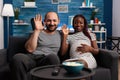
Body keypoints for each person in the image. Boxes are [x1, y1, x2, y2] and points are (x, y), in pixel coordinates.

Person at [10, 11, 62, 80]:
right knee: (17, 57)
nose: (52, 23)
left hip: (47, 59)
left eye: (54, 21)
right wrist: (37, 31)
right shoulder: (36, 32)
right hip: (32, 58)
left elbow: (63, 52)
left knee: (53, 57)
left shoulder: (61, 34)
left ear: (58, 21)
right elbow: (30, 49)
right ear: (45, 21)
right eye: (49, 21)